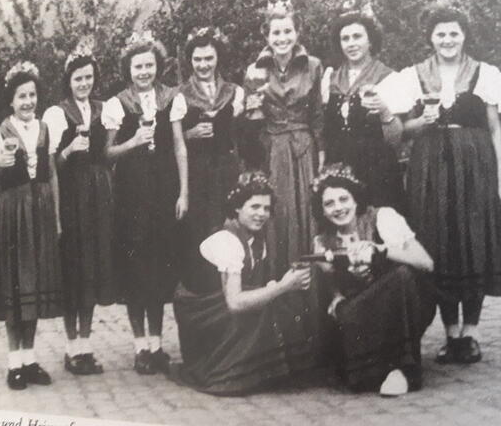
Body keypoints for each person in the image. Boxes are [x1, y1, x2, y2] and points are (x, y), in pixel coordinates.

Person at [396, 3, 501, 364]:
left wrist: (500, 182)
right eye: (440, 33)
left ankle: (470, 332)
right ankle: (450, 333)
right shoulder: (414, 76)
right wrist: (422, 121)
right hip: (431, 168)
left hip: (475, 166)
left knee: (473, 243)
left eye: (454, 33)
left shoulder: (484, 74)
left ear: (464, 36)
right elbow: (401, 130)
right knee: (439, 244)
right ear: (430, 38)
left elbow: (495, 130)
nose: (447, 40)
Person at [172, 171, 319, 395]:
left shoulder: (256, 239)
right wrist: (282, 286)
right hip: (200, 312)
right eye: (255, 207)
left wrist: (279, 287)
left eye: (266, 208)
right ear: (237, 208)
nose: (261, 214)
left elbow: (251, 286)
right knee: (268, 303)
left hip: (220, 303)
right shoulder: (227, 241)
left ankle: (266, 367)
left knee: (279, 302)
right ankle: (230, 369)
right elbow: (235, 303)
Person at [102, 30, 188, 375]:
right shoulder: (118, 104)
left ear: (158, 66)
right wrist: (134, 141)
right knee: (136, 270)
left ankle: (156, 344)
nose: (144, 72)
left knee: (160, 268)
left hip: (164, 193)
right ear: (129, 69)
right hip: (132, 196)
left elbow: (180, 146)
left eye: (149, 65)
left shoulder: (171, 98)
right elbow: (107, 152)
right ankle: (140, 346)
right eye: (138, 66)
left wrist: (184, 192)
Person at [311, 164, 435, 396]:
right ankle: (376, 367)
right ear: (322, 210)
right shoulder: (322, 241)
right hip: (362, 310)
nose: (338, 208)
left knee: (402, 275)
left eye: (343, 199)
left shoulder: (382, 218)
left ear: (355, 200)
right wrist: (336, 296)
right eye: (329, 203)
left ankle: (404, 370)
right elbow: (331, 284)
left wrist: (381, 250)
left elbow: (426, 263)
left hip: (403, 302)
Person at [0, 61, 62, 390]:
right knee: (15, 287)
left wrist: (56, 217)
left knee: (34, 287)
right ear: (11, 101)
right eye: (21, 96)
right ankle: (14, 363)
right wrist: (0, 163)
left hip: (39, 212)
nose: (28, 101)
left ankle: (29, 358)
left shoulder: (44, 129)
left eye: (32, 95)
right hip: (12, 214)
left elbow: (52, 173)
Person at [43, 40, 116, 375]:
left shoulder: (105, 109)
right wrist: (69, 149)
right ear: (68, 81)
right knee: (74, 269)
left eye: (88, 77)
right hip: (72, 196)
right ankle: (71, 347)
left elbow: (108, 155)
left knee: (93, 268)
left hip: (98, 195)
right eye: (78, 78)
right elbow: (52, 165)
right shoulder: (57, 113)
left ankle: (86, 345)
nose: (84, 83)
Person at [242, 0, 325, 275]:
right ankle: (279, 283)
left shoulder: (313, 66)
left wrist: (321, 155)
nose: (282, 38)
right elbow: (252, 122)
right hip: (273, 148)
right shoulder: (255, 70)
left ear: (297, 33)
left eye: (288, 31)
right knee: (278, 212)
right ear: (266, 36)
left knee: (307, 212)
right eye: (276, 32)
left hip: (304, 148)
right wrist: (252, 109)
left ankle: (310, 285)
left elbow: (317, 116)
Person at [175, 27, 245, 294]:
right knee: (200, 232)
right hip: (197, 174)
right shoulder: (180, 95)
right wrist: (189, 134)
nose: (203, 65)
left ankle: (230, 293)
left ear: (218, 58)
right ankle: (203, 297)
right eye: (197, 59)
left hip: (227, 171)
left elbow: (243, 135)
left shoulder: (234, 92)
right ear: (189, 61)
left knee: (228, 229)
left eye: (209, 58)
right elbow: (170, 140)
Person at [321, 1, 404, 209]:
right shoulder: (330, 79)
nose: (351, 43)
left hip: (377, 169)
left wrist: (384, 111)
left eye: (357, 36)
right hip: (340, 168)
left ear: (370, 41)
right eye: (345, 38)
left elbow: (395, 139)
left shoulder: (388, 78)